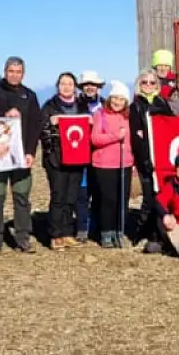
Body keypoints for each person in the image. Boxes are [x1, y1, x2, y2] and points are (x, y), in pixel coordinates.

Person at [0, 56, 42, 254]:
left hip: (22, 155)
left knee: (22, 197)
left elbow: (35, 125)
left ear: (23, 73)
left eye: (18, 72)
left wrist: (31, 152)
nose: (14, 75)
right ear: (5, 72)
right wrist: (3, 114)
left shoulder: (29, 95)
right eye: (11, 71)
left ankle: (23, 237)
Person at [40, 72, 85, 250]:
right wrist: (50, 124)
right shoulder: (50, 106)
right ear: (57, 86)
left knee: (71, 196)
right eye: (63, 84)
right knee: (58, 196)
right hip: (56, 158)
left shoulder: (81, 106)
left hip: (77, 157)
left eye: (70, 84)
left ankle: (67, 232)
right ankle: (55, 234)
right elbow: (41, 129)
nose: (66, 87)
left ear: (75, 87)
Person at [129, 69, 173, 252]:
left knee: (161, 197)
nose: (148, 86)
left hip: (163, 158)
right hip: (146, 159)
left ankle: (157, 232)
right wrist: (143, 159)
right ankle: (139, 231)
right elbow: (136, 135)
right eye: (144, 82)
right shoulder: (135, 106)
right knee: (148, 197)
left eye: (152, 82)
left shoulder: (162, 103)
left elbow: (171, 127)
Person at [90, 80, 134, 249]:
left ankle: (119, 230)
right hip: (104, 164)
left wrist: (133, 161)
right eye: (114, 98)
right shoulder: (100, 115)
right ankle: (106, 232)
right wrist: (115, 136)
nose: (117, 102)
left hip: (125, 163)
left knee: (122, 199)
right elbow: (95, 139)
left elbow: (131, 141)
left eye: (121, 99)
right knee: (108, 200)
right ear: (109, 99)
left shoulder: (127, 117)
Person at [77, 70, 105, 237]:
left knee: (99, 191)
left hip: (100, 153)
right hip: (80, 154)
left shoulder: (106, 104)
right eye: (86, 85)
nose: (90, 87)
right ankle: (82, 226)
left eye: (93, 85)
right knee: (82, 192)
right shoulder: (75, 104)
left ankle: (96, 225)